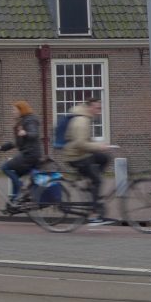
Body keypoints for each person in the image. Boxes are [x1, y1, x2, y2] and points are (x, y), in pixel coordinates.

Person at [61, 97, 114, 226]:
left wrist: (100, 145)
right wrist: (99, 147)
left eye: (100, 108)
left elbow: (86, 141)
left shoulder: (85, 118)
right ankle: (93, 215)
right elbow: (80, 144)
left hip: (81, 153)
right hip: (75, 157)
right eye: (97, 108)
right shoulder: (82, 121)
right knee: (98, 180)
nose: (99, 111)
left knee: (104, 158)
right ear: (90, 107)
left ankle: (90, 182)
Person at [0, 100, 42, 208]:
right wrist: (1, 148)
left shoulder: (30, 120)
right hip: (28, 154)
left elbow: (34, 134)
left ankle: (22, 189)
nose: (13, 112)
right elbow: (16, 143)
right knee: (15, 175)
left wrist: (26, 133)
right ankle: (14, 202)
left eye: (14, 110)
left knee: (5, 167)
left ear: (21, 110)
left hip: (30, 154)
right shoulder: (21, 122)